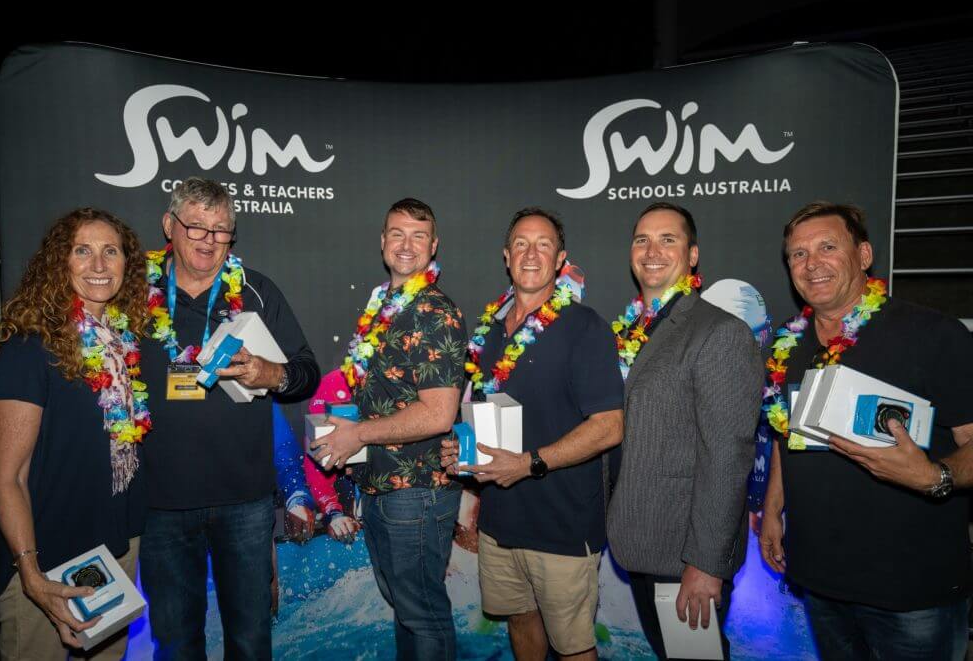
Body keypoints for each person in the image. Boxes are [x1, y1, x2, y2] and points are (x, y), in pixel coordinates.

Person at [760, 202, 972, 661]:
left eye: (827, 247)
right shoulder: (787, 342)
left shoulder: (934, 335)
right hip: (820, 580)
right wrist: (772, 508)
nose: (811, 263)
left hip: (911, 590)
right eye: (797, 254)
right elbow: (786, 433)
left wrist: (935, 476)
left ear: (865, 254)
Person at [138, 177, 319, 660]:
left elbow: (307, 373)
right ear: (168, 226)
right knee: (176, 644)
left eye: (220, 230)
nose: (207, 239)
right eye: (195, 225)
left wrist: (272, 372)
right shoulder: (132, 296)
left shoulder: (256, 291)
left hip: (245, 502)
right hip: (161, 503)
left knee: (250, 641)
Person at [442, 208, 625, 660]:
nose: (531, 253)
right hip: (501, 523)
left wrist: (528, 463)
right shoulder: (488, 334)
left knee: (574, 648)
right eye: (521, 243)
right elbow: (485, 413)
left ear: (560, 259)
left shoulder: (585, 327)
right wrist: (462, 449)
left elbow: (609, 427)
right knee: (521, 627)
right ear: (507, 256)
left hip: (562, 526)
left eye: (543, 244)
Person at [0, 208, 150, 660]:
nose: (98, 265)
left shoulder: (123, 344)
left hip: (112, 554)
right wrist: (32, 574)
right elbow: (8, 477)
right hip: (46, 561)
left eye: (110, 252)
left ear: (126, 264)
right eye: (83, 251)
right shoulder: (30, 348)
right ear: (60, 262)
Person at [606, 202, 763, 661]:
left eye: (667, 239)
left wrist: (706, 564)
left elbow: (728, 456)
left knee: (695, 658)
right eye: (642, 240)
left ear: (692, 255)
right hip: (640, 539)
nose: (652, 251)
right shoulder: (635, 330)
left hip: (683, 552)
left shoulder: (719, 332)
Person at [315, 197, 467, 659]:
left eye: (418, 236)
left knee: (422, 616)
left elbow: (438, 414)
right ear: (383, 242)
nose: (406, 245)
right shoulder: (385, 303)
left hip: (416, 491)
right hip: (381, 485)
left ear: (433, 245)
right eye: (397, 234)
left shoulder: (433, 311)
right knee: (405, 610)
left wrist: (356, 434)